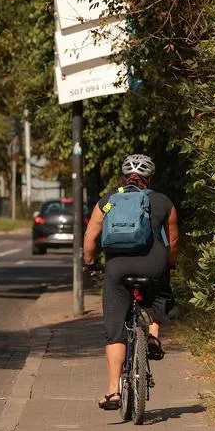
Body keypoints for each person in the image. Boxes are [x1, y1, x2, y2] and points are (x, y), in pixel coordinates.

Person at [83, 154, 179, 410]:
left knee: (115, 331)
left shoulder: (107, 201)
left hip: (117, 268)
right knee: (160, 291)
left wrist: (90, 262)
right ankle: (154, 336)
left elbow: (90, 237)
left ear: (124, 177)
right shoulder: (163, 201)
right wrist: (169, 263)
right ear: (150, 178)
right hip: (153, 265)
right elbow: (173, 241)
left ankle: (113, 391)